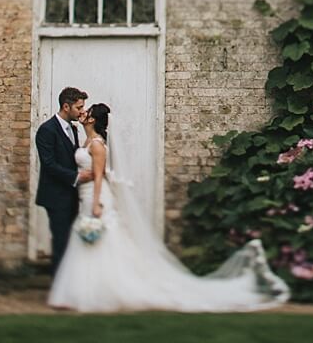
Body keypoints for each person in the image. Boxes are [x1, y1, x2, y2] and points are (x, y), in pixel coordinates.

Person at [48, 103, 289, 312]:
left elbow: (99, 176)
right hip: (84, 195)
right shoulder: (86, 140)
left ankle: (103, 290)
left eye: (87, 111)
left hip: (96, 196)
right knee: (89, 240)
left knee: (103, 240)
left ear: (93, 119)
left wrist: (97, 202)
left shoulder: (98, 145)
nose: (83, 113)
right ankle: (86, 290)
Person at [35, 86, 93, 275]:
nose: (82, 111)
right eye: (79, 107)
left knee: (71, 243)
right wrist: (76, 177)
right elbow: (49, 164)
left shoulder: (74, 129)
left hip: (71, 195)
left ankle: (68, 283)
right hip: (56, 196)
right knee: (61, 242)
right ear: (66, 107)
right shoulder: (46, 130)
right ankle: (59, 289)